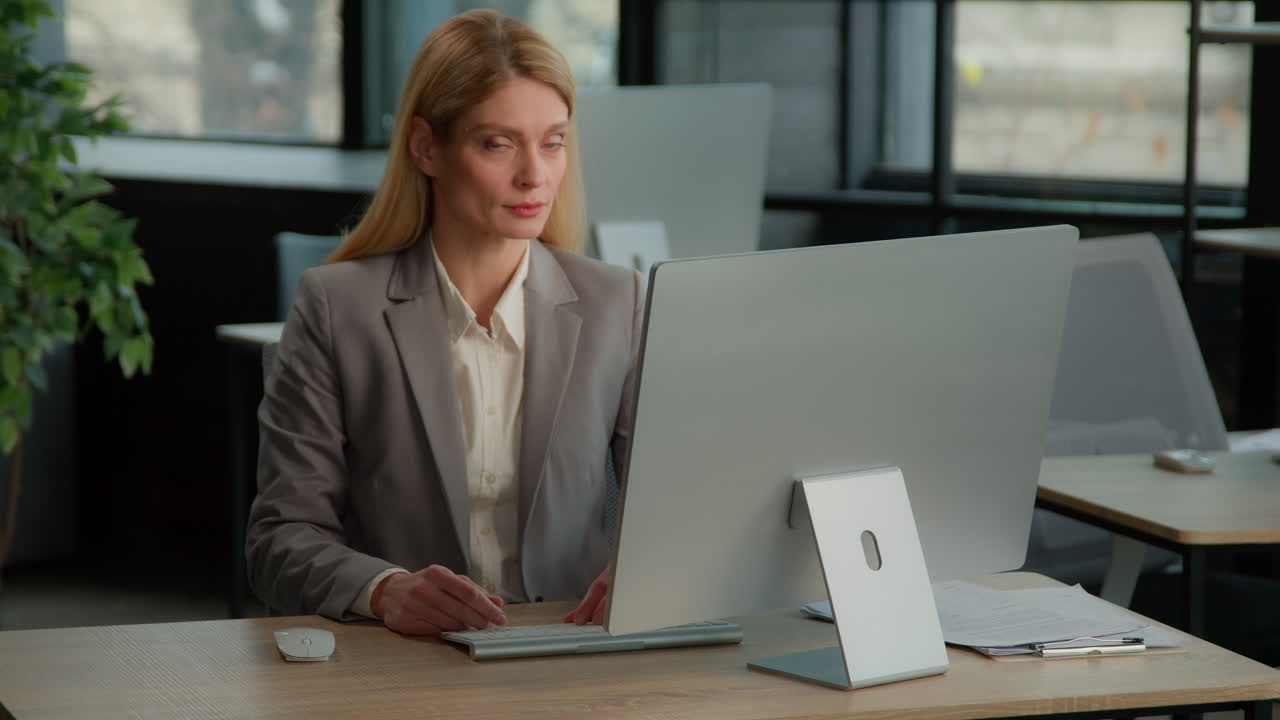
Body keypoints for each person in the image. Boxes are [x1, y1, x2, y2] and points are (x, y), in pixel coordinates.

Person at [245, 9, 640, 636]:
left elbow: (679, 503)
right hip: (407, 660)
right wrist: (385, 591)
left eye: (552, 142)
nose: (535, 176)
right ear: (428, 147)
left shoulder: (616, 303)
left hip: (570, 650)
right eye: (498, 143)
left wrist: (647, 568)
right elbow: (279, 541)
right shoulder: (336, 306)